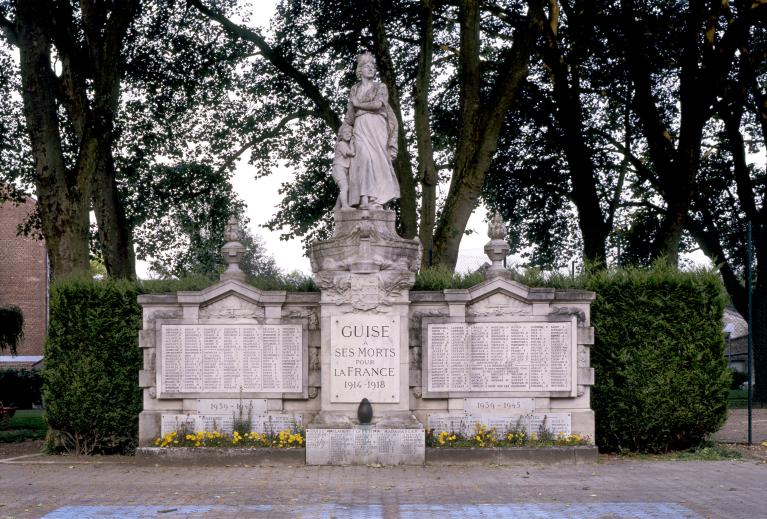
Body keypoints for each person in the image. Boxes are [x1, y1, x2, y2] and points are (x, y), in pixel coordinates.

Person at [343, 52, 400, 209]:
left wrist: (358, 104)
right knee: (363, 159)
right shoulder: (355, 89)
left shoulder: (380, 87)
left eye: (372, 66)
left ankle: (377, 199)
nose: (370, 68)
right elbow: (349, 117)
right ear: (359, 70)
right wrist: (342, 136)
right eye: (366, 66)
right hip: (360, 126)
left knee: (378, 161)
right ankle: (364, 198)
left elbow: (378, 105)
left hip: (377, 126)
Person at [331, 123, 355, 210]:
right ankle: (344, 206)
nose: (348, 134)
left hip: (344, 168)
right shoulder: (341, 144)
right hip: (339, 168)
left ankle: (337, 206)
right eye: (346, 133)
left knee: (344, 188)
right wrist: (352, 144)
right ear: (341, 135)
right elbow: (351, 153)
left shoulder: (345, 144)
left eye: (350, 133)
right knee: (344, 187)